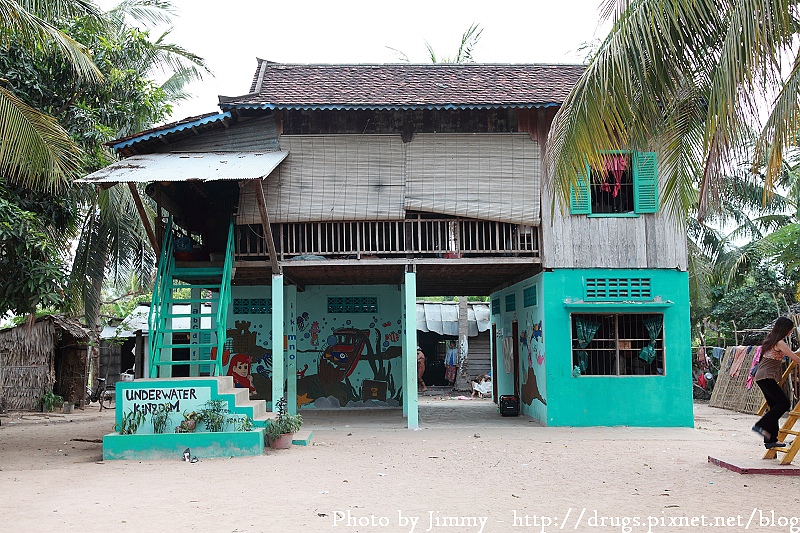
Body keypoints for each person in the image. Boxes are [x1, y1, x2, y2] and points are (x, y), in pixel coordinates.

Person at [753, 317, 800, 449]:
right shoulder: (780, 343)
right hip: (766, 377)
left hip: (762, 377)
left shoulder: (771, 340)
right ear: (785, 329)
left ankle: (771, 440)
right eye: (790, 329)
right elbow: (795, 359)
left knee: (774, 405)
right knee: (784, 403)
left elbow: (789, 355)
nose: (790, 332)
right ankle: (761, 425)